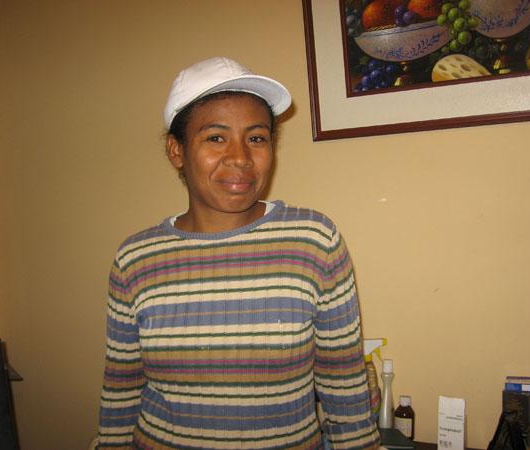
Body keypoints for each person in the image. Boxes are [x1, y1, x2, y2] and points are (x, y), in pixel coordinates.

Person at [97, 57, 380, 450]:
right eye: (216, 138)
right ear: (176, 151)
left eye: (257, 138)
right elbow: (121, 389)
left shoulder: (314, 240)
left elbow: (344, 384)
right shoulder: (136, 258)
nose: (241, 157)